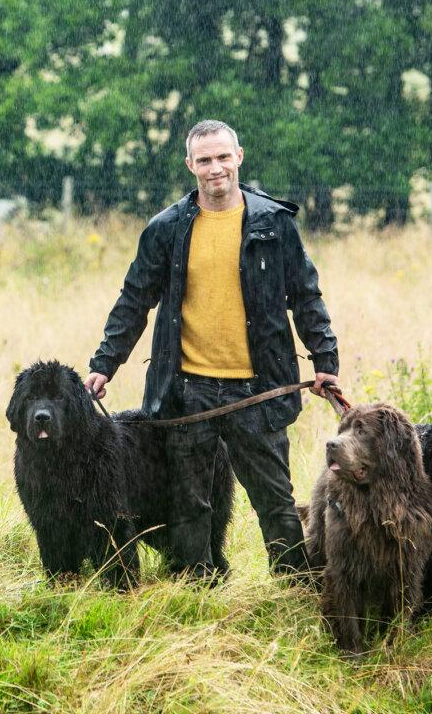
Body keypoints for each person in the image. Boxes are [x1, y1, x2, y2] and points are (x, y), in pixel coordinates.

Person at [84, 119, 338, 579]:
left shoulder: (273, 223)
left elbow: (305, 295)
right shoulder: (166, 229)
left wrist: (325, 362)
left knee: (275, 500)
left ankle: (294, 589)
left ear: (239, 157)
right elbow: (134, 299)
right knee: (189, 501)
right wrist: (105, 364)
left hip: (258, 390)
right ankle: (194, 586)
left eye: (223, 157)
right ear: (190, 166)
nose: (215, 168)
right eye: (204, 160)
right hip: (188, 390)